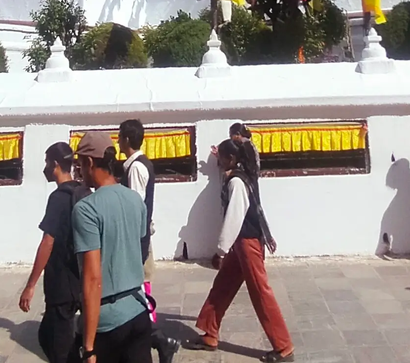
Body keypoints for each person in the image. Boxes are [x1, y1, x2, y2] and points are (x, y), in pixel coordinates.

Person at [182, 139, 294, 362]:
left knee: (260, 292)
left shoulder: (237, 183)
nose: (219, 162)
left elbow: (234, 218)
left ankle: (284, 346)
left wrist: (221, 251)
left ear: (231, 159)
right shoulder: (241, 175)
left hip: (247, 243)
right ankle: (210, 332)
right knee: (223, 284)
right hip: (241, 243)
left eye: (222, 158)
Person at [72, 131, 153, 363]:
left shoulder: (86, 209)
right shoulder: (135, 200)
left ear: (89, 162)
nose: (79, 170)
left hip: (107, 322)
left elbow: (92, 280)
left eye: (80, 164)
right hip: (138, 311)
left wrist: (88, 347)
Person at [21, 142, 89, 363]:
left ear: (56, 165)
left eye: (47, 163)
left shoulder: (58, 198)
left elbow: (47, 242)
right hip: (83, 275)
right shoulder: (84, 191)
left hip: (61, 281)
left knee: (56, 345)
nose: (45, 168)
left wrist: (31, 285)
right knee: (51, 334)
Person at [118, 120, 176, 363]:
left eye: (120, 137)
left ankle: (157, 337)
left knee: (139, 291)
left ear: (128, 140)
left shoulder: (136, 169)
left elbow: (136, 207)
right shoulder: (136, 165)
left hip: (136, 238)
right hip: (138, 237)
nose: (118, 141)